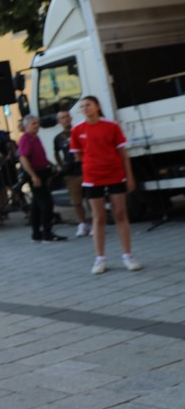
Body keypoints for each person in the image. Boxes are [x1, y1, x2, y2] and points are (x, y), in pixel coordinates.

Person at [70, 96, 141, 275]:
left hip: (115, 175)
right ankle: (100, 258)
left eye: (88, 105)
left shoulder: (111, 126)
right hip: (93, 177)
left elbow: (123, 155)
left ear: (97, 107)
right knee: (98, 217)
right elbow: (78, 156)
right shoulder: (77, 130)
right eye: (82, 106)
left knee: (120, 213)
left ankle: (128, 255)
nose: (85, 108)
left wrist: (129, 177)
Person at [18, 114, 66, 243]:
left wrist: (50, 164)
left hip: (42, 170)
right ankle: (47, 232)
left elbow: (40, 155)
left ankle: (36, 233)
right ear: (26, 125)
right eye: (33, 124)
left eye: (37, 123)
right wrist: (33, 175)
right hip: (35, 172)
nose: (37, 126)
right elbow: (24, 158)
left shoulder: (36, 137)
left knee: (36, 204)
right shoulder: (25, 139)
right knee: (46, 203)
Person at [54, 110, 90, 236]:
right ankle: (82, 223)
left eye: (67, 116)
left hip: (84, 168)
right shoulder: (58, 138)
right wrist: (60, 165)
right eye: (62, 118)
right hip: (71, 173)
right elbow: (56, 153)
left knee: (91, 198)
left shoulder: (79, 131)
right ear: (59, 121)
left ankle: (96, 222)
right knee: (76, 200)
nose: (65, 119)